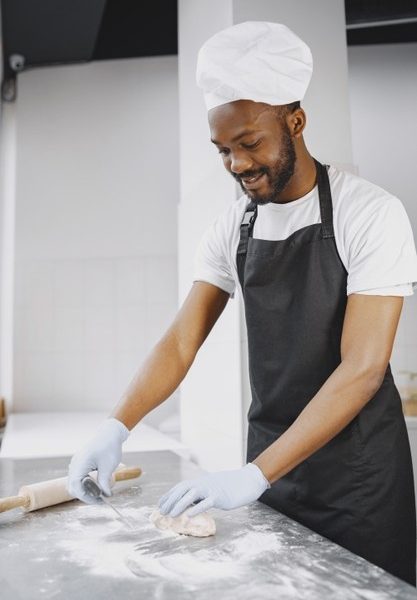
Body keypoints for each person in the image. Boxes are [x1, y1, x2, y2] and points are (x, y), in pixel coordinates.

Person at [68, 22, 417, 586]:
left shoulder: (370, 214)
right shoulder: (234, 226)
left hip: (358, 480)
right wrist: (116, 426)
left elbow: (363, 369)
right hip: (274, 469)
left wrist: (254, 475)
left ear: (296, 122)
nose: (235, 164)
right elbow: (182, 342)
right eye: (223, 150)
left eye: (249, 143)